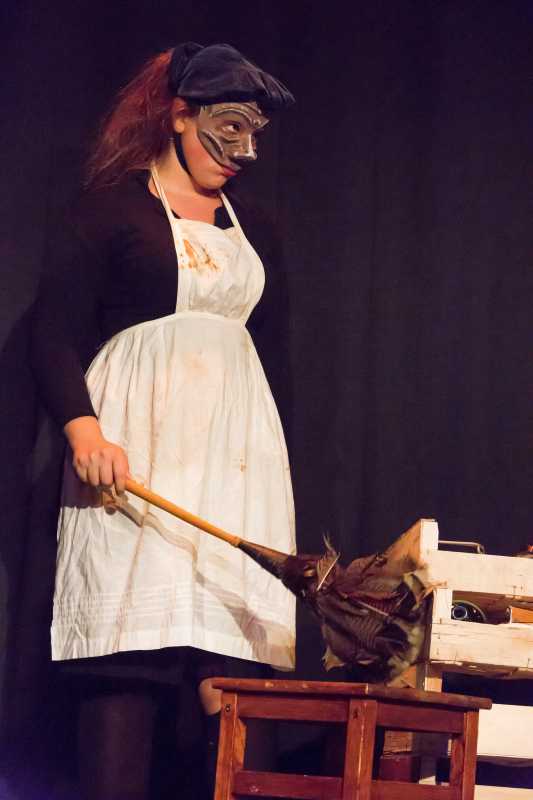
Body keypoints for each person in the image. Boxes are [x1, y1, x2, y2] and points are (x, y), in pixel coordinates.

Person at [31, 42, 296, 800]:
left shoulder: (257, 227)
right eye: (228, 128)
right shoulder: (110, 210)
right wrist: (82, 428)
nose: (242, 152)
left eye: (254, 135)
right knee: (131, 648)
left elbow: (273, 356)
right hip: (135, 447)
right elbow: (53, 332)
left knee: (232, 658)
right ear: (180, 115)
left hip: (233, 459)